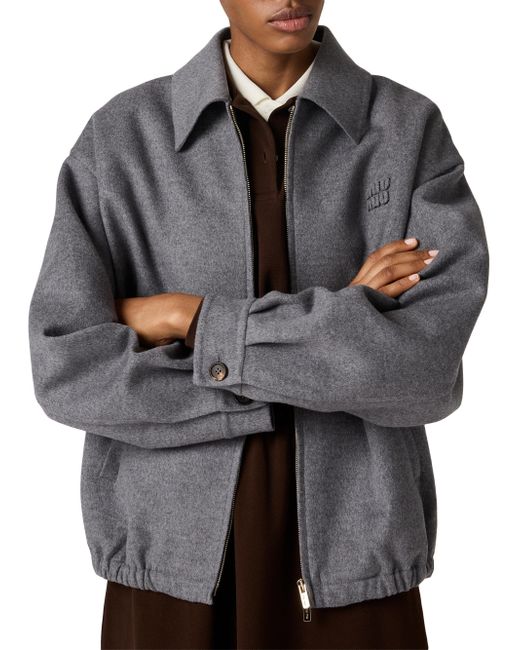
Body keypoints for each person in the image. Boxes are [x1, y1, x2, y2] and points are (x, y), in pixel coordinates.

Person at [28, 1, 489, 649]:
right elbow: (67, 371)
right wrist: (343, 325)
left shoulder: (406, 130)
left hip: (356, 568)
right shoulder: (123, 139)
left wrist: (189, 319)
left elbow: (422, 373)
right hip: (171, 575)